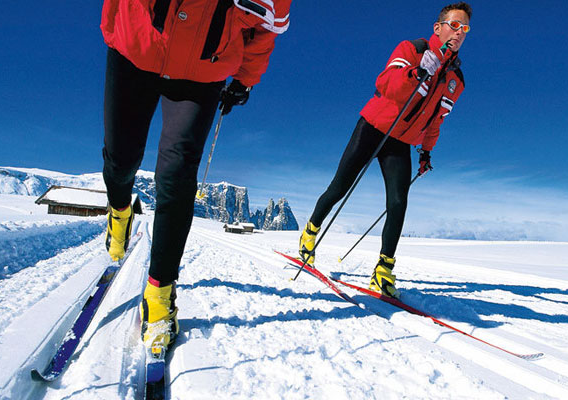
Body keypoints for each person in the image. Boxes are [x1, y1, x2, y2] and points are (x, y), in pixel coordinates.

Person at [100, 0, 292, 355]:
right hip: (137, 47)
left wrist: (246, 78)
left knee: (176, 174)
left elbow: (263, 30)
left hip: (203, 70)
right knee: (121, 158)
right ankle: (119, 209)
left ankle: (159, 294)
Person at [299, 2, 471, 298]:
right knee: (340, 186)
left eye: (465, 28)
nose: (459, 32)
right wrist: (416, 73)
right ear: (438, 28)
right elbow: (385, 83)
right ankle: (310, 233)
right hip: (374, 126)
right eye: (454, 25)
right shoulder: (412, 49)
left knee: (398, 201)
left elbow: (435, 121)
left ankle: (382, 271)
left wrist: (426, 153)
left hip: (401, 141)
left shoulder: (456, 81)